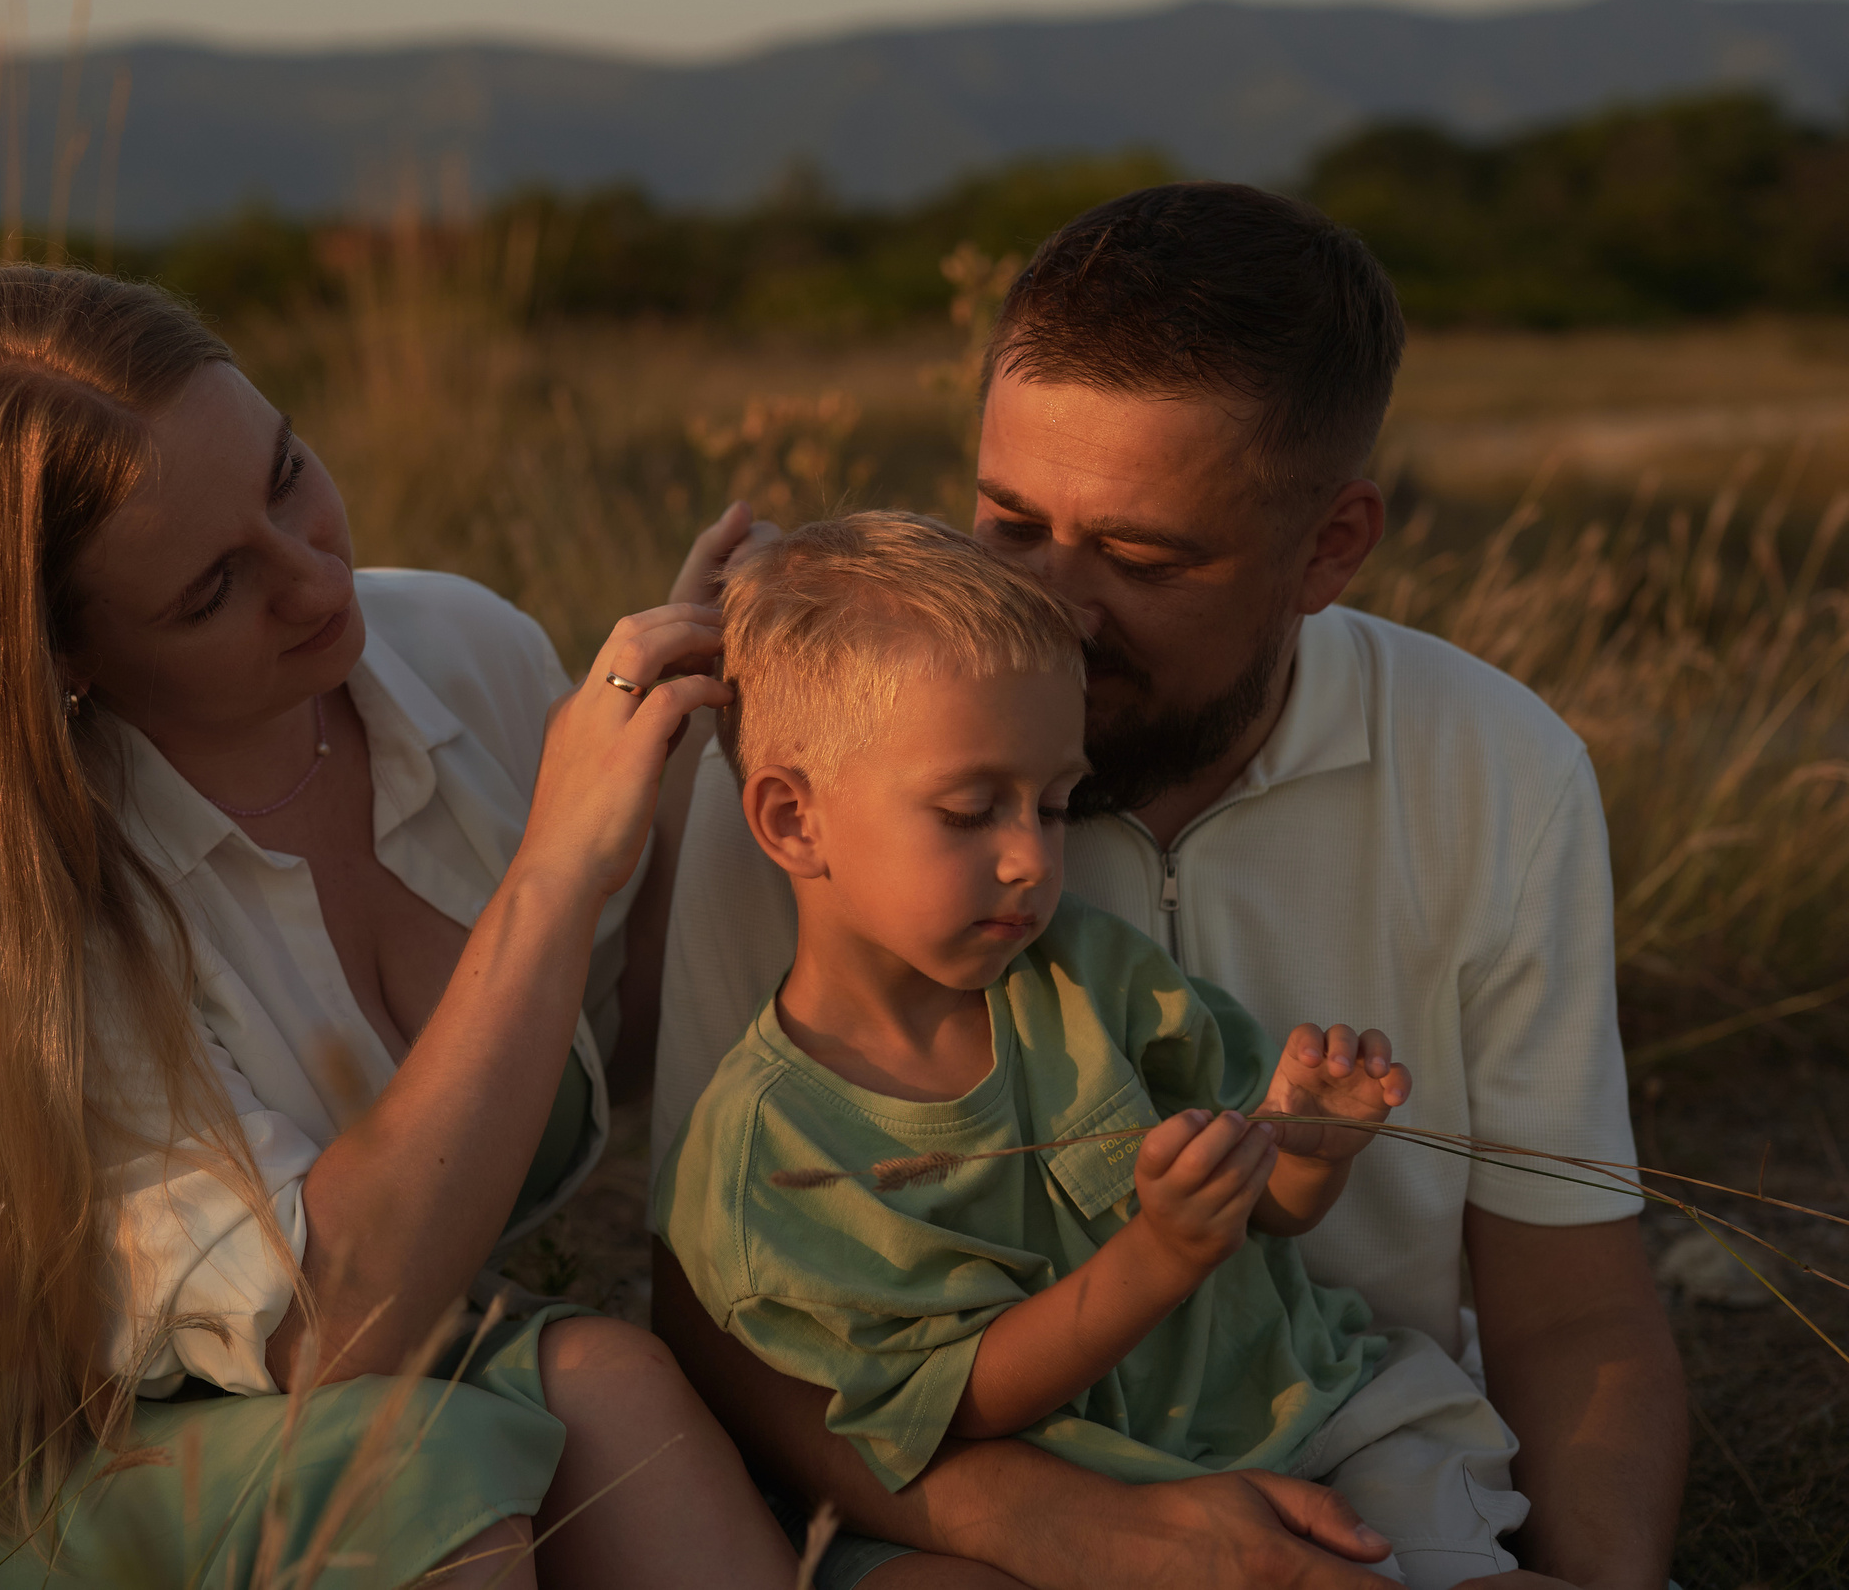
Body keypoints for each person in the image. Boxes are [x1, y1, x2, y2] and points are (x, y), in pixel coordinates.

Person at [651, 185, 1687, 1589]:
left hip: (1347, 1444)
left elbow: (1575, 1310)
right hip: (980, 1494)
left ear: (1332, 544)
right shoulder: (823, 787)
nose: (1060, 607)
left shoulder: (1498, 767)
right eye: (1009, 522)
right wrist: (1077, 1528)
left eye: (1141, 554)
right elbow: (720, 1313)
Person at [0, 266, 811, 1588]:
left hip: (369, 1393)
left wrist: (693, 732)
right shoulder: (25, 922)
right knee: (417, 1493)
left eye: (289, 472)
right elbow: (334, 1319)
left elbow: (602, 1026)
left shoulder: (454, 647)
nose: (315, 579)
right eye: (211, 590)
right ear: (55, 658)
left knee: (616, 1387)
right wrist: (550, 871)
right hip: (17, 1482)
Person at [658, 510, 1530, 1590]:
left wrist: (1302, 1150)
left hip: (1303, 1414)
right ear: (794, 821)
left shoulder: (1089, 976)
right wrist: (1157, 1256)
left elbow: (1262, 1210)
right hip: (1080, 1510)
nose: (1030, 858)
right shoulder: (774, 1148)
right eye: (972, 810)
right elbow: (956, 1405)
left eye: (1057, 806)